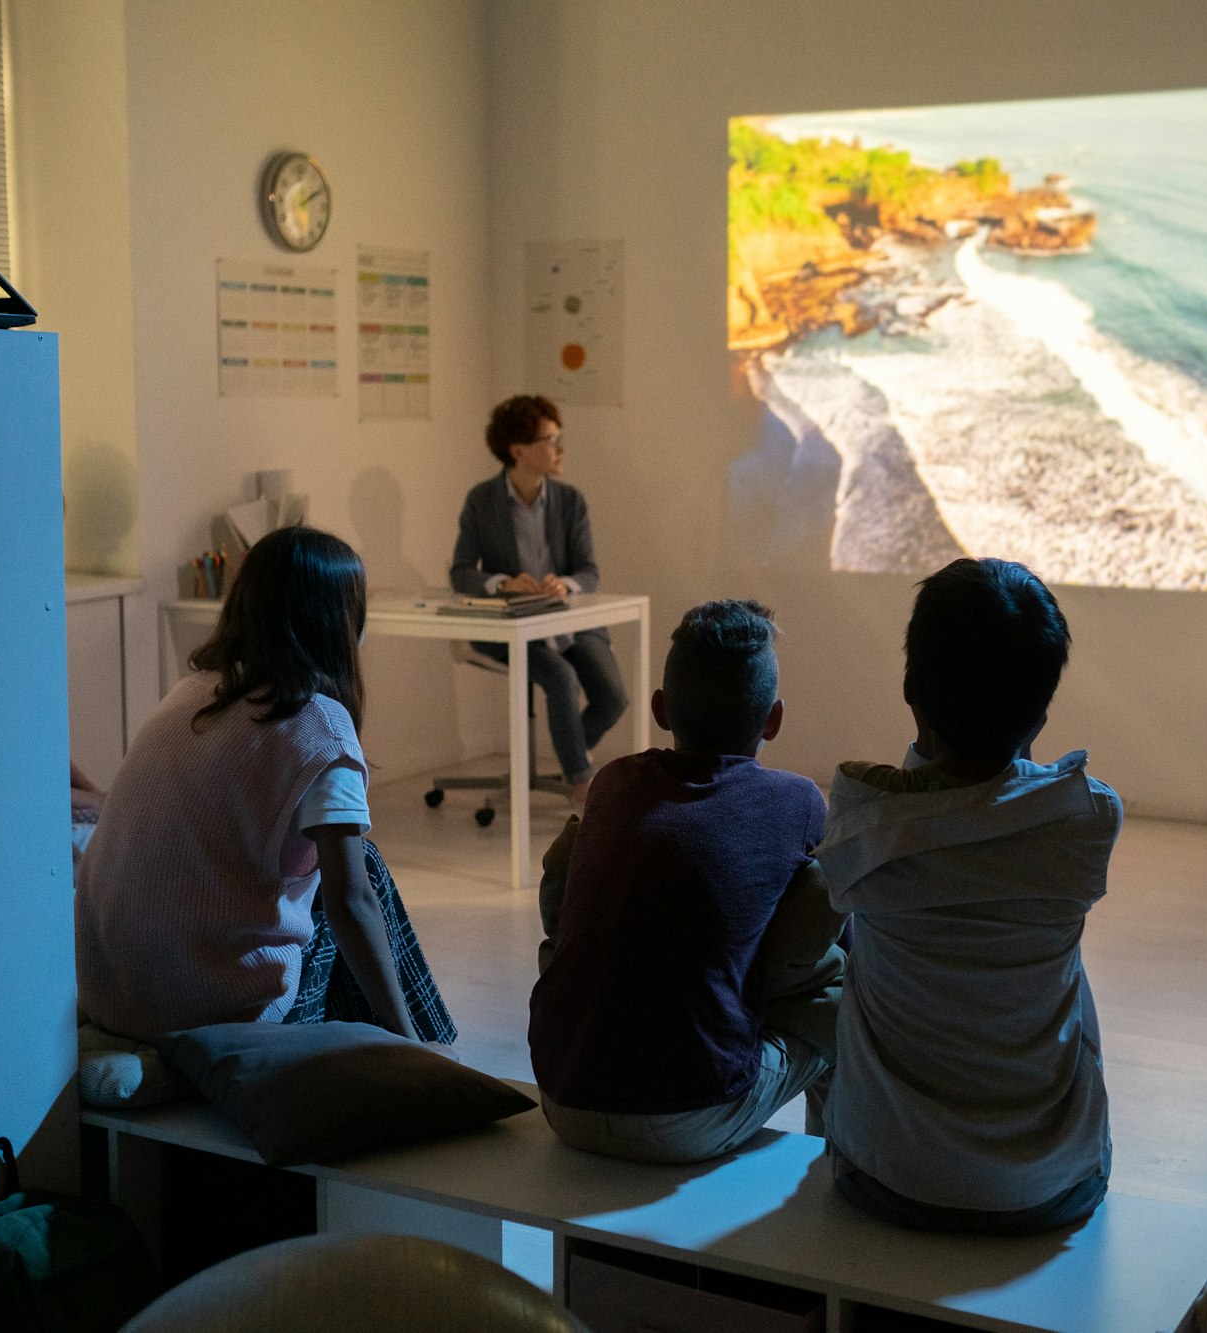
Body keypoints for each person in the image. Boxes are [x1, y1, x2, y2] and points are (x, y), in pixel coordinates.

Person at [817, 557, 1121, 1234]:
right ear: (1041, 712)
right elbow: (1000, 799)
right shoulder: (1088, 819)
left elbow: (919, 798)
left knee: (845, 948)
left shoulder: (862, 818)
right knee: (1062, 953)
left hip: (883, 1178)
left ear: (909, 688)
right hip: (1054, 1187)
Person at [76, 526, 453, 1045]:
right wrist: (405, 1036)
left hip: (111, 995)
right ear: (341, 622)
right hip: (212, 1011)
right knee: (365, 874)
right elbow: (351, 905)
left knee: (345, 872)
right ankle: (422, 1052)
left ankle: (415, 1050)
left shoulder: (189, 695)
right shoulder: (320, 726)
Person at [529, 600, 845, 1164]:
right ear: (773, 718)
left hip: (561, 1094)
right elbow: (818, 930)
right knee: (842, 1002)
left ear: (659, 709)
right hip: (691, 1114)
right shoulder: (797, 800)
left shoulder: (613, 783)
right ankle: (829, 1174)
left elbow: (557, 895)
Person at [450, 395, 627, 802]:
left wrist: (566, 584)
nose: (560, 449)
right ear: (518, 450)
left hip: (569, 622)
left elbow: (589, 570)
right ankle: (581, 786)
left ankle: (572, 755)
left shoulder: (570, 501)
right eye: (551, 439)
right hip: (511, 630)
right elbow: (461, 572)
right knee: (560, 677)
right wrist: (501, 583)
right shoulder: (482, 501)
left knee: (613, 696)